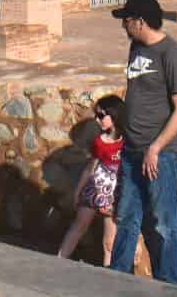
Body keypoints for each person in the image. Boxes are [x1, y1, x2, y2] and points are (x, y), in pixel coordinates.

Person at [107, 0, 177, 286]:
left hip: (161, 156)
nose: (123, 27)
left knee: (164, 225)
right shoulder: (135, 48)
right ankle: (117, 279)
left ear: (140, 22)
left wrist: (155, 148)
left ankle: (168, 286)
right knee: (127, 218)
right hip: (132, 152)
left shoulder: (172, 54)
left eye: (126, 21)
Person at [56, 95, 125, 262]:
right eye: (96, 115)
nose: (97, 119)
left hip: (115, 191)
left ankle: (108, 272)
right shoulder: (99, 142)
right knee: (79, 226)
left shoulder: (127, 141)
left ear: (114, 115)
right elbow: (91, 167)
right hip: (95, 188)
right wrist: (78, 191)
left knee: (110, 240)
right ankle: (59, 259)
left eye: (101, 115)